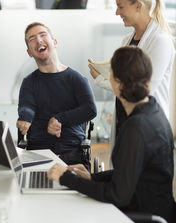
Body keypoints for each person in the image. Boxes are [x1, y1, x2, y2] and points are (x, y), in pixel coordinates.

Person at [48, 46, 176, 223]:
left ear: (117, 83)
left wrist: (66, 178)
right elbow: (129, 173)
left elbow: (118, 195)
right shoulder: (154, 111)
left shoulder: (136, 127)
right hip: (157, 210)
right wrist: (92, 177)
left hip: (142, 217)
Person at [88, 0, 175, 159]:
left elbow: (144, 89)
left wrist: (101, 80)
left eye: (121, 7)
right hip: (125, 119)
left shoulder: (160, 41)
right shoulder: (126, 40)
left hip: (146, 126)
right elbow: (123, 81)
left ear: (138, 6)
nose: (117, 12)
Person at [16, 22, 97, 169]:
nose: (39, 40)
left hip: (72, 157)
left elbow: (90, 109)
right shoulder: (29, 82)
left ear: (54, 42)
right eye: (32, 39)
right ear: (29, 52)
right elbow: (26, 106)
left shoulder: (76, 79)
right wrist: (25, 118)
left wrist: (60, 119)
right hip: (38, 157)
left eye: (42, 35)